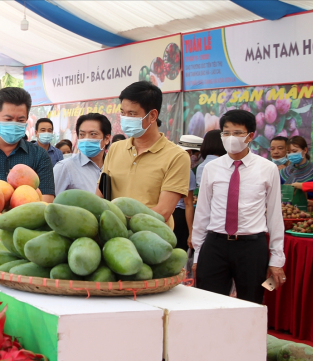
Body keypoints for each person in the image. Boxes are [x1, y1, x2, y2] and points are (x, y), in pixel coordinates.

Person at [192, 109, 285, 304]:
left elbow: (275, 216)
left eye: (237, 133)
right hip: (215, 244)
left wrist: (277, 259)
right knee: (208, 303)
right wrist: (197, 255)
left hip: (251, 246)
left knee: (250, 304)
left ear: (250, 136)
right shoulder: (211, 168)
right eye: (226, 133)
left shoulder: (267, 169)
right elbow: (202, 213)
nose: (230, 138)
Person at [98, 81, 190, 227]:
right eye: (123, 112)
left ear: (152, 115)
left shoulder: (177, 157)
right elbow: (101, 195)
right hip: (114, 236)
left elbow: (163, 211)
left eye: (132, 113)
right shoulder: (115, 149)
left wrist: (120, 223)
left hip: (151, 239)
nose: (125, 118)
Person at [53, 113, 110, 195]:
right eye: (82, 134)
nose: (86, 139)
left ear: (107, 139)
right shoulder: (65, 167)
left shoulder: (114, 167)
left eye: (93, 134)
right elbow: (50, 202)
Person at [174, 135, 202, 251]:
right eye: (197, 155)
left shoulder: (168, 165)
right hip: (179, 217)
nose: (197, 158)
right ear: (190, 153)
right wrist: (191, 232)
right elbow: (188, 204)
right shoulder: (187, 171)